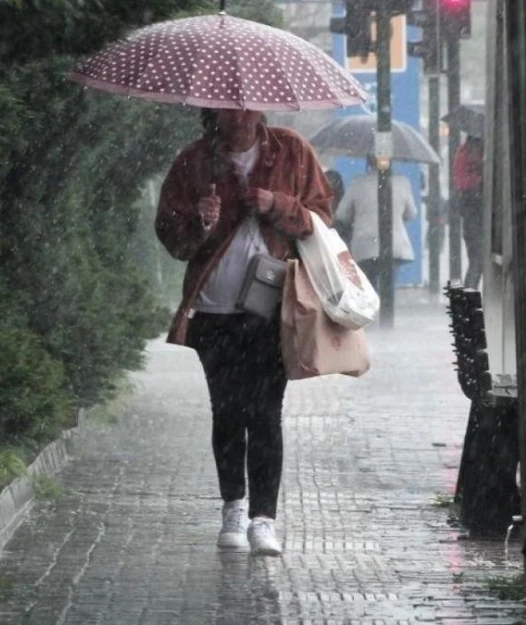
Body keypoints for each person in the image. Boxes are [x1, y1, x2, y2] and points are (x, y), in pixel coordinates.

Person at [155, 108, 333, 556]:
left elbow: (322, 221)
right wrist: (199, 221)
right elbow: (172, 239)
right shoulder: (194, 161)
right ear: (213, 111)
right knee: (228, 413)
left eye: (247, 105)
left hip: (272, 308)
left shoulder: (291, 151)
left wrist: (280, 206)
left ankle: (263, 520)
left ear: (261, 107)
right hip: (214, 311)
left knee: (266, 414)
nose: (240, 115)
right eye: (229, 107)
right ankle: (233, 508)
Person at [334, 155, 419, 289]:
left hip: (365, 243)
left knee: (368, 286)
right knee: (388, 286)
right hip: (394, 243)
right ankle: (386, 308)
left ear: (368, 162)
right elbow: (412, 213)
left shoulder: (358, 182)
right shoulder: (402, 182)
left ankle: (374, 305)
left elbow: (341, 214)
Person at [453, 135, 485, 288]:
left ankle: (468, 302)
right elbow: (466, 182)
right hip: (475, 212)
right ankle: (468, 301)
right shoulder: (471, 155)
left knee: (476, 261)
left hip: (470, 213)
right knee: (478, 262)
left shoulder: (463, 152)